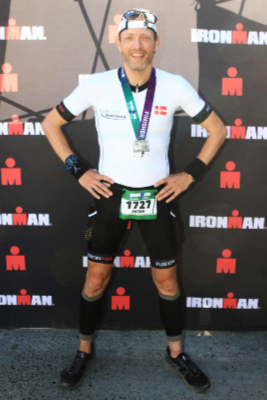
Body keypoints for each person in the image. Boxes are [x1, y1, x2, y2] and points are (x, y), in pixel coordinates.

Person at [42, 9, 227, 393]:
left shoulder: (175, 85)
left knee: (167, 281)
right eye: (130, 38)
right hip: (110, 196)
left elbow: (217, 129)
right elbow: (50, 123)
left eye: (145, 38)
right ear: (119, 43)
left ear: (156, 43)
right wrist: (78, 169)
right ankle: (83, 351)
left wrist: (190, 173)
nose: (137, 46)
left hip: (158, 197)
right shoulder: (96, 84)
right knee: (96, 279)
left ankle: (176, 354)